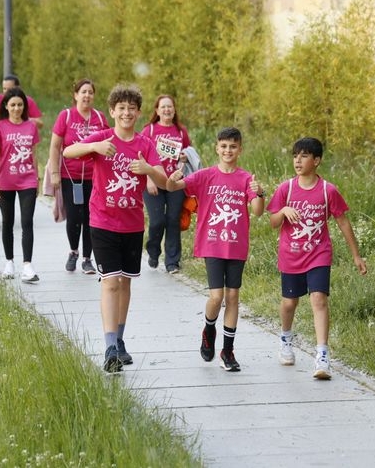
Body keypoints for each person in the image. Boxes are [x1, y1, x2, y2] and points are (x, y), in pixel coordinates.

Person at [62, 84, 166, 373]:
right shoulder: (103, 138)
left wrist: (149, 171)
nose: (126, 113)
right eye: (121, 108)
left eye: (131, 108)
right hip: (103, 220)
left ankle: (119, 340)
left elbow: (166, 181)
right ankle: (109, 347)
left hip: (132, 224)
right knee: (110, 282)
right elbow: (68, 151)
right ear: (112, 111)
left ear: (138, 112)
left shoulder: (145, 144)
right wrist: (93, 147)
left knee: (125, 283)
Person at [266, 137, 368, 379]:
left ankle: (322, 356)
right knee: (289, 303)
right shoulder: (286, 189)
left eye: (304, 156)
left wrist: (356, 255)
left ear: (317, 160)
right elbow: (272, 222)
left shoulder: (327, 190)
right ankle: (286, 338)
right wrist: (283, 211)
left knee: (319, 299)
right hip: (291, 255)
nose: (298, 161)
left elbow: (343, 222)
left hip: (318, 253)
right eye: (295, 156)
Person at [166, 127, 265, 372]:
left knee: (232, 297)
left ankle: (227, 351)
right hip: (212, 243)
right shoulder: (205, 176)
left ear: (240, 150)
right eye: (224, 146)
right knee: (216, 297)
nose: (228, 151)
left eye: (233, 147)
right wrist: (172, 178)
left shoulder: (246, 178)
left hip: (236, 245)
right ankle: (209, 329)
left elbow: (257, 211)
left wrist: (259, 193)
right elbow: (173, 187)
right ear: (217, 148)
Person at [49, 78, 109, 274]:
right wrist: (55, 173)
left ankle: (87, 259)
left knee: (91, 217)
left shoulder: (99, 118)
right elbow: (55, 146)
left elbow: (108, 144)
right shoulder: (66, 116)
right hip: (70, 176)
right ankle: (74, 251)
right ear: (75, 95)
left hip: (94, 176)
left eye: (90, 92)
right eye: (83, 92)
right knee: (74, 216)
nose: (87, 96)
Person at [0, 87, 41, 284]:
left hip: (28, 179)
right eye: (13, 105)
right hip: (5, 181)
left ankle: (27, 265)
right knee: (8, 222)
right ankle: (9, 262)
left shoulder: (31, 126)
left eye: (20, 105)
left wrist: (37, 179)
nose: (17, 108)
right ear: (6, 106)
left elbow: (34, 155)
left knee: (27, 222)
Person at [140, 94, 192, 274]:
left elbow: (188, 154)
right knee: (157, 221)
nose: (167, 110)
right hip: (154, 181)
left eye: (170, 106)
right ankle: (153, 251)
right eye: (163, 107)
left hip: (175, 182)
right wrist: (148, 179)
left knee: (172, 220)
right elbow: (140, 157)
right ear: (157, 110)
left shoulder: (181, 131)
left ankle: (172, 262)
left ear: (174, 110)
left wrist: (184, 158)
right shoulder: (149, 131)